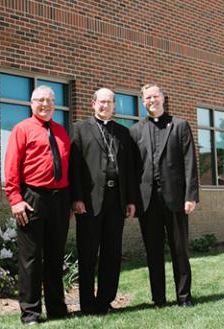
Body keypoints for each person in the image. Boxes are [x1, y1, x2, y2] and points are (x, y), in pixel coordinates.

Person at [4, 85, 71, 325]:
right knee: (30, 258)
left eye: (49, 101)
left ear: (55, 104)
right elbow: (12, 165)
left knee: (55, 257)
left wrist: (69, 202)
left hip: (60, 200)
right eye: (40, 100)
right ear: (31, 104)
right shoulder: (22, 129)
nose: (45, 104)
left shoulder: (62, 131)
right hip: (32, 199)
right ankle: (30, 313)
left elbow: (68, 168)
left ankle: (57, 309)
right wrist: (16, 199)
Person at [130, 83, 199, 307]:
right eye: (147, 98)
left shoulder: (180, 125)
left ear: (163, 98)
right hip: (147, 201)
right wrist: (132, 200)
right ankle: (158, 299)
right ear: (143, 102)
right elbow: (132, 169)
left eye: (155, 96)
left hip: (176, 199)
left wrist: (191, 196)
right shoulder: (135, 130)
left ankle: (184, 297)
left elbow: (190, 163)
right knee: (153, 252)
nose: (152, 100)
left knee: (180, 250)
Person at [69, 88, 136, 314]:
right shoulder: (79, 129)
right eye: (101, 102)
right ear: (93, 103)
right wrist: (76, 197)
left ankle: (105, 301)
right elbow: (74, 168)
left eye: (109, 102)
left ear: (114, 106)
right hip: (89, 201)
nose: (105, 106)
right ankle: (87, 304)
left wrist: (130, 200)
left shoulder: (123, 132)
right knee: (87, 254)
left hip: (116, 200)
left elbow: (129, 170)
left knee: (112, 253)